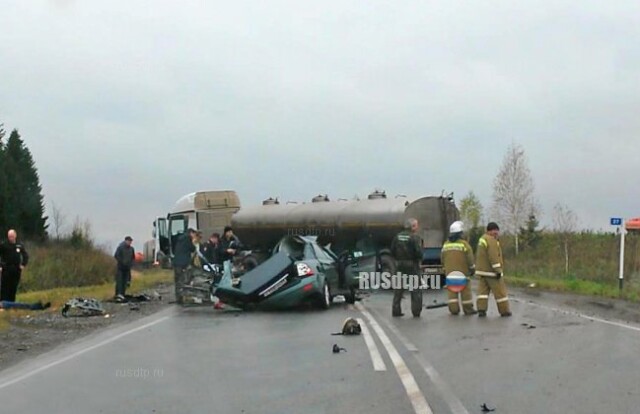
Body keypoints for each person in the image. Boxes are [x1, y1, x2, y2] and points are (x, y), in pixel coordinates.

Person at [475, 222, 511, 317]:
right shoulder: (491, 240)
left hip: (482, 271)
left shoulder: (482, 239)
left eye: (497, 230)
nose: (496, 233)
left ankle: (481, 310)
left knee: (482, 292)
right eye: (494, 230)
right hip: (491, 272)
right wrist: (498, 270)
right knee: (500, 292)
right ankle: (504, 311)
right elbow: (493, 256)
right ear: (489, 231)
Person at [441, 221, 477, 315]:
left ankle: (454, 309)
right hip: (463, 273)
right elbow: (470, 259)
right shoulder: (464, 244)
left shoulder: (446, 244)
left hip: (450, 274)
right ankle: (468, 309)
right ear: (460, 233)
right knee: (466, 292)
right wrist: (472, 269)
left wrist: (445, 269)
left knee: (452, 292)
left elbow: (442, 259)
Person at [390, 218, 424, 317]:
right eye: (416, 225)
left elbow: (392, 250)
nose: (417, 227)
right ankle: (416, 311)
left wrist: (398, 259)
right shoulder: (415, 237)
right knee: (415, 289)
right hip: (412, 265)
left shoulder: (397, 236)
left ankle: (396, 310)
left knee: (398, 289)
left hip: (400, 265)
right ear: (413, 226)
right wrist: (420, 258)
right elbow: (418, 253)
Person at [0, 229, 29, 302]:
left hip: (16, 269)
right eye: (9, 236)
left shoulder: (19, 245)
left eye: (12, 236)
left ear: (15, 236)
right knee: (5, 287)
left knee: (14, 287)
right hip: (6, 269)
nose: (11, 238)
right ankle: (3, 303)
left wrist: (23, 264)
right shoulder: (4, 245)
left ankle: (12, 303)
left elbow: (25, 255)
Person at [172, 228, 197, 304]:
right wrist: (193, 242)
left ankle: (178, 298)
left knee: (177, 281)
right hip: (183, 263)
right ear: (191, 233)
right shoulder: (188, 239)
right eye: (194, 234)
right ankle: (184, 297)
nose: (194, 236)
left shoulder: (180, 239)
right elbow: (193, 249)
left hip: (176, 262)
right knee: (184, 280)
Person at [113, 236, 135, 302]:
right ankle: (118, 295)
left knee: (125, 282)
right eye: (128, 241)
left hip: (127, 268)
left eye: (130, 241)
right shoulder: (120, 247)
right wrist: (121, 262)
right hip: (120, 267)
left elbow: (132, 257)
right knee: (119, 282)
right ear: (125, 241)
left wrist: (131, 264)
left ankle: (123, 294)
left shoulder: (131, 249)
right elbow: (116, 255)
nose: (129, 242)